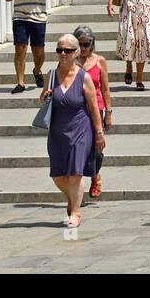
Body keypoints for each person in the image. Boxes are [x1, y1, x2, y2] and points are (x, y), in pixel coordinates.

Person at [40, 33, 106, 229]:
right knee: (58, 175)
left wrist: (99, 132)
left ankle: (75, 212)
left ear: (76, 52)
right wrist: (45, 96)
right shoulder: (51, 75)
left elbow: (94, 107)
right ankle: (72, 200)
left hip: (80, 128)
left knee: (75, 173)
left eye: (67, 50)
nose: (62, 53)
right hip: (57, 130)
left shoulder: (83, 77)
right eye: (59, 50)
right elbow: (43, 100)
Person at [6, 0, 54, 94]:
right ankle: (20, 82)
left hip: (38, 16)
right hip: (20, 16)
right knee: (20, 48)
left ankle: (37, 70)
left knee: (38, 50)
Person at [75, 26, 111, 200]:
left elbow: (105, 88)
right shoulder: (70, 61)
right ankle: (78, 187)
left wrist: (109, 112)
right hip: (77, 110)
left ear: (92, 43)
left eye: (86, 44)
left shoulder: (99, 61)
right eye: (79, 45)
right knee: (79, 148)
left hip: (97, 108)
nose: (83, 49)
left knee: (96, 147)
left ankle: (95, 174)